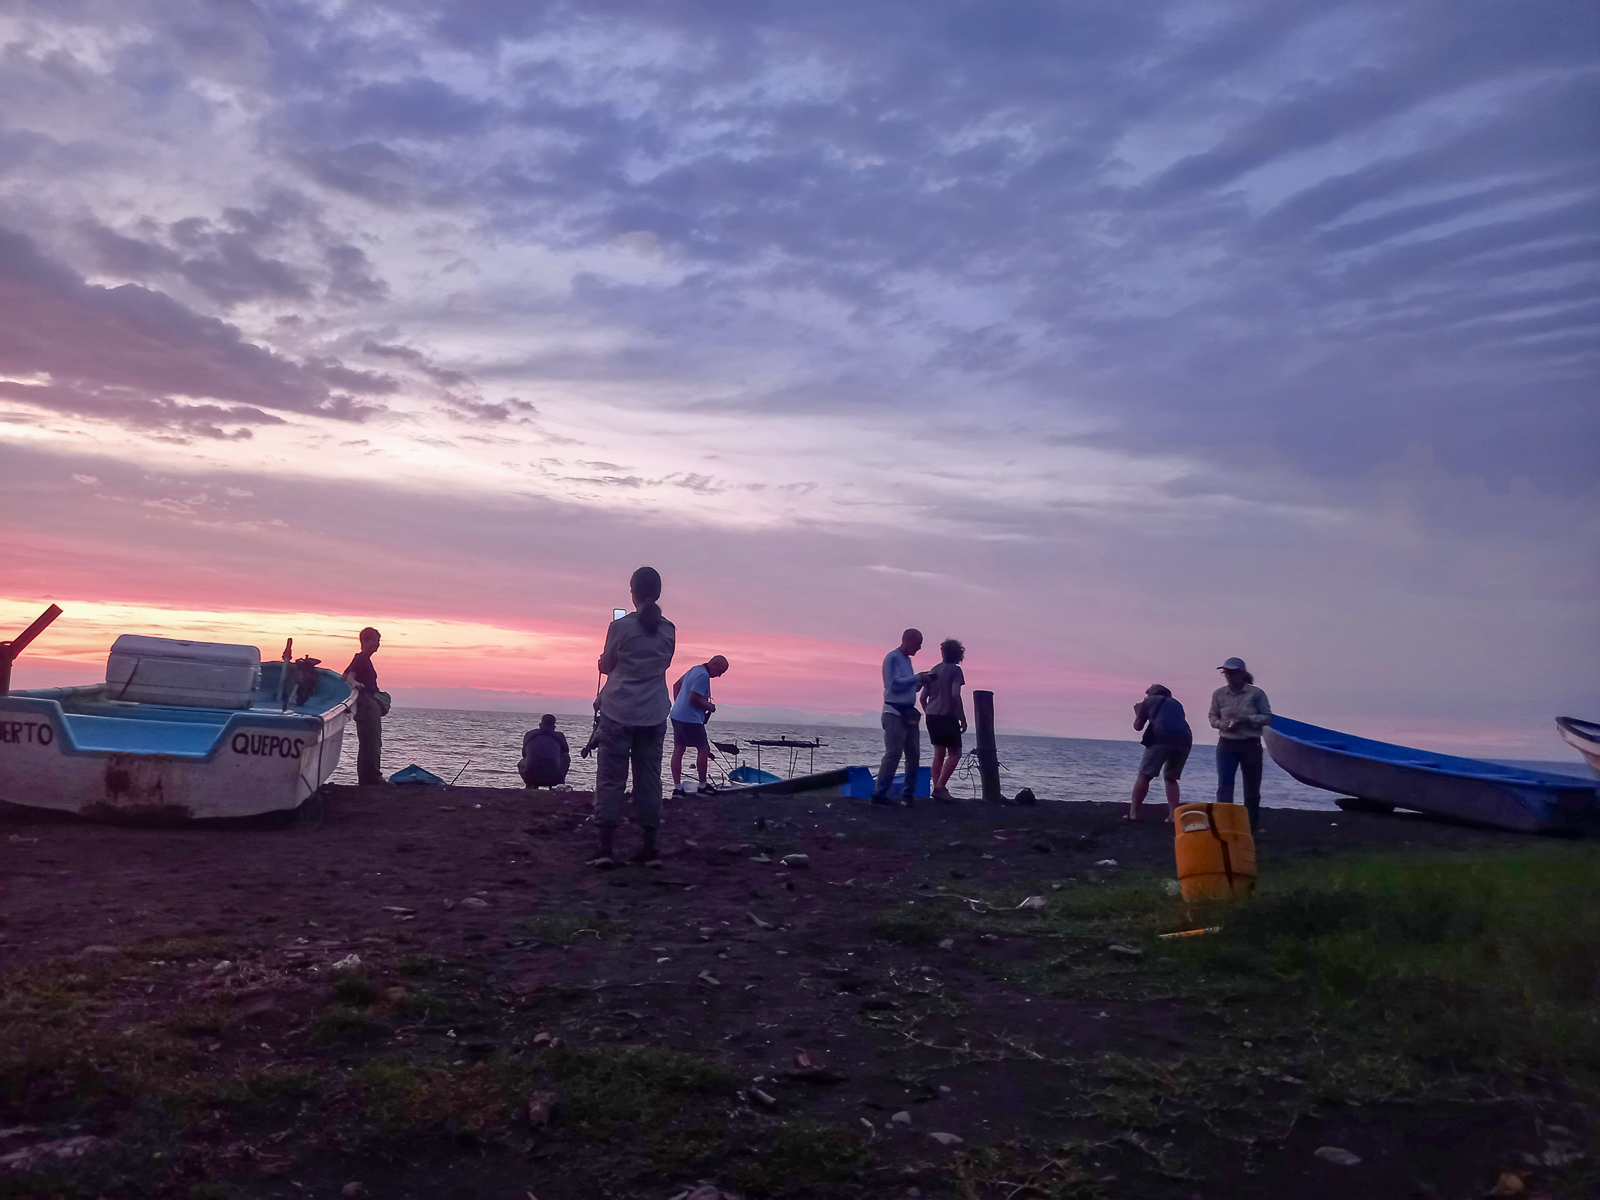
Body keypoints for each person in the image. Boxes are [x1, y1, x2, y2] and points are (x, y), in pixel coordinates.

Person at [589, 567, 676, 868]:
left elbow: (607, 665)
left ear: (632, 592)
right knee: (649, 780)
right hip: (653, 714)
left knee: (611, 779)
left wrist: (603, 662)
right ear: (659, 592)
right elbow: (661, 664)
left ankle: (605, 849)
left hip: (618, 712)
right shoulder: (669, 630)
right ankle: (649, 848)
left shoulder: (620, 627)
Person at [1209, 657, 1272, 833]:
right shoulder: (1219, 694)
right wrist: (1220, 724)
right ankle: (1224, 826)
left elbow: (1267, 717)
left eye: (1232, 672)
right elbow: (1213, 716)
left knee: (1252, 788)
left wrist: (1247, 720)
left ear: (1242, 674)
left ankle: (1250, 828)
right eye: (1226, 673)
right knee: (1224, 786)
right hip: (1226, 744)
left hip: (1250, 744)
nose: (1229, 676)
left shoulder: (1256, 694)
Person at [871, 628, 929, 807]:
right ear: (908, 639)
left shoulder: (907, 661)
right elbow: (893, 685)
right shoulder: (892, 657)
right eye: (918, 644)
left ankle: (908, 794)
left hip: (908, 713)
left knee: (914, 754)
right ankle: (879, 794)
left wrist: (921, 681)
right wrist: (916, 678)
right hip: (893, 713)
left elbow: (908, 686)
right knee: (894, 753)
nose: (919, 648)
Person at [1126, 684, 1192, 822]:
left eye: (1147, 694)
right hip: (1185, 740)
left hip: (1160, 739)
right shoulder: (1176, 703)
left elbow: (1138, 726)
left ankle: (1133, 813)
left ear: (1152, 693)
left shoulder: (1149, 701)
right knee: (1171, 777)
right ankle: (1173, 816)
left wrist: (1138, 712)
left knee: (1145, 775)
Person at [670, 655, 729, 796]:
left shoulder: (694, 670)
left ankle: (677, 788)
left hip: (676, 715)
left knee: (679, 748)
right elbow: (694, 698)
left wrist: (679, 703)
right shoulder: (703, 676)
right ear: (714, 664)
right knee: (703, 748)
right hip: (690, 719)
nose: (719, 675)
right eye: (720, 671)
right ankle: (703, 787)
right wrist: (709, 706)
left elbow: (676, 685)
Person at [921, 639, 967, 803]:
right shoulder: (955, 670)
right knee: (955, 753)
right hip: (947, 716)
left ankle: (937, 787)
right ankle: (940, 787)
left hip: (932, 715)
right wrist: (961, 716)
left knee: (939, 753)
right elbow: (955, 694)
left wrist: (929, 711)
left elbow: (922, 697)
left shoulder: (934, 670)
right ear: (959, 654)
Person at [342, 627, 387, 786]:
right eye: (375, 641)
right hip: (367, 703)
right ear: (366, 641)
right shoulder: (361, 658)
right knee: (372, 741)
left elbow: (344, 676)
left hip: (366, 703)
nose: (377, 644)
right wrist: (356, 684)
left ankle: (367, 779)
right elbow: (349, 678)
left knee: (368, 741)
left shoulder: (361, 659)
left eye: (378, 641)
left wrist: (352, 681)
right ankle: (373, 778)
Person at [518, 714, 571, 789]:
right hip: (554, 777)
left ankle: (531, 785)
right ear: (554, 727)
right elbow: (566, 751)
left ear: (540, 725)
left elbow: (524, 754)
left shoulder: (529, 734)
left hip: (530, 776)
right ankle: (558, 783)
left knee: (523, 761)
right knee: (565, 757)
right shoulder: (559, 736)